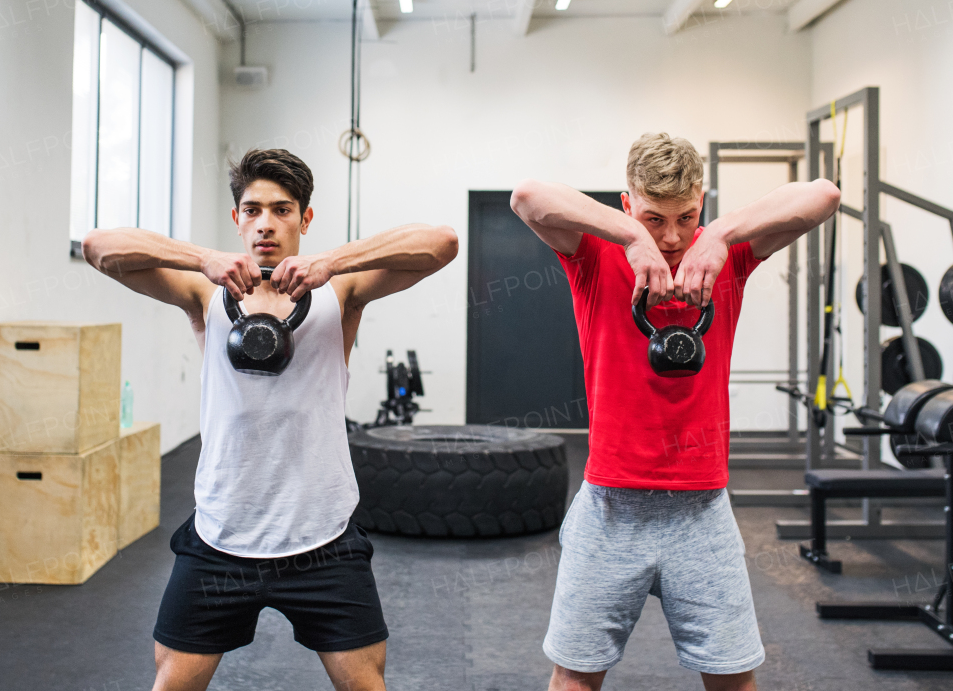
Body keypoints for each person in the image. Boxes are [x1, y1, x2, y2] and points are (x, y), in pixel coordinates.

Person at [82, 148, 458, 691]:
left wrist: (333, 262)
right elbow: (99, 247)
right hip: (220, 536)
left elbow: (441, 242)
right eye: (252, 209)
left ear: (305, 219)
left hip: (322, 538)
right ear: (236, 219)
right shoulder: (204, 291)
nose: (266, 223)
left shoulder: (340, 290)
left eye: (283, 210)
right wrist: (200, 258)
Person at [510, 133, 840, 691]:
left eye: (687, 217)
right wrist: (629, 239)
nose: (672, 236)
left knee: (733, 677)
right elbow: (526, 196)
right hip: (610, 509)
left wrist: (723, 235)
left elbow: (824, 195)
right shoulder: (594, 257)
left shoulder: (724, 255)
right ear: (627, 205)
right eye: (653, 218)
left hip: (702, 511)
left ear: (702, 203)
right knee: (575, 677)